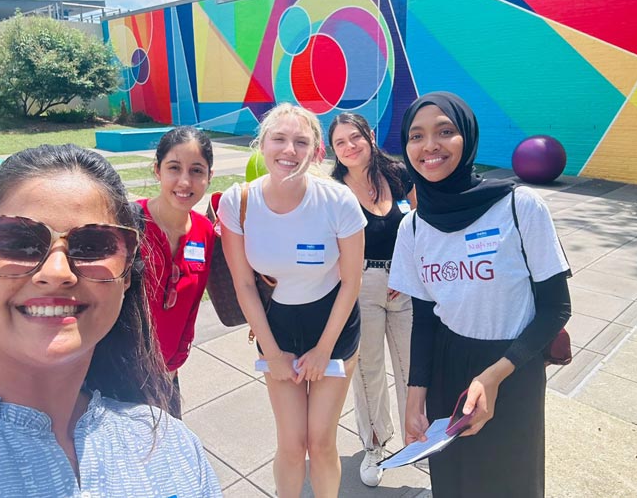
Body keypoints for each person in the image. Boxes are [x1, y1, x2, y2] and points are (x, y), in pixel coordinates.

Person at [0, 144, 222, 497]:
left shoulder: (172, 447)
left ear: (127, 277)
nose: (57, 273)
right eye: (18, 242)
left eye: (93, 245)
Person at [388, 92, 572, 496]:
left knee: (510, 480)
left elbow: (556, 308)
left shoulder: (518, 206)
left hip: (511, 367)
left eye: (445, 131)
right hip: (446, 369)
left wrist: (494, 376)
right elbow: (425, 319)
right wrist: (414, 397)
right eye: (416, 136)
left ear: (467, 138)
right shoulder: (414, 228)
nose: (429, 145)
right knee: (454, 481)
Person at [218, 103, 366, 498]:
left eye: (302, 142)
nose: (289, 150)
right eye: (279, 139)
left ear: (317, 151)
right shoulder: (237, 202)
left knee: (320, 441)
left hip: (334, 329)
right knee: (290, 441)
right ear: (261, 145)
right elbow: (244, 285)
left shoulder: (338, 201)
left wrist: (323, 350)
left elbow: (352, 283)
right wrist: (273, 352)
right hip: (277, 329)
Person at [327, 112, 416, 487]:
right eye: (340, 142)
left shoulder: (397, 173)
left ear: (369, 137)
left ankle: (419, 440)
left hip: (405, 283)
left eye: (355, 137)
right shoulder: (334, 188)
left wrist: (410, 269)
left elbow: (424, 220)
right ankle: (376, 445)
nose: (350, 147)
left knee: (414, 369)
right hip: (360, 285)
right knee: (368, 373)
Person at [135, 126, 215, 418]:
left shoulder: (205, 231)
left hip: (168, 374)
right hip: (119, 372)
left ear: (209, 176)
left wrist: (173, 363)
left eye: (196, 170)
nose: (185, 181)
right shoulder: (129, 223)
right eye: (173, 168)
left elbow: (192, 307)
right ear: (157, 170)